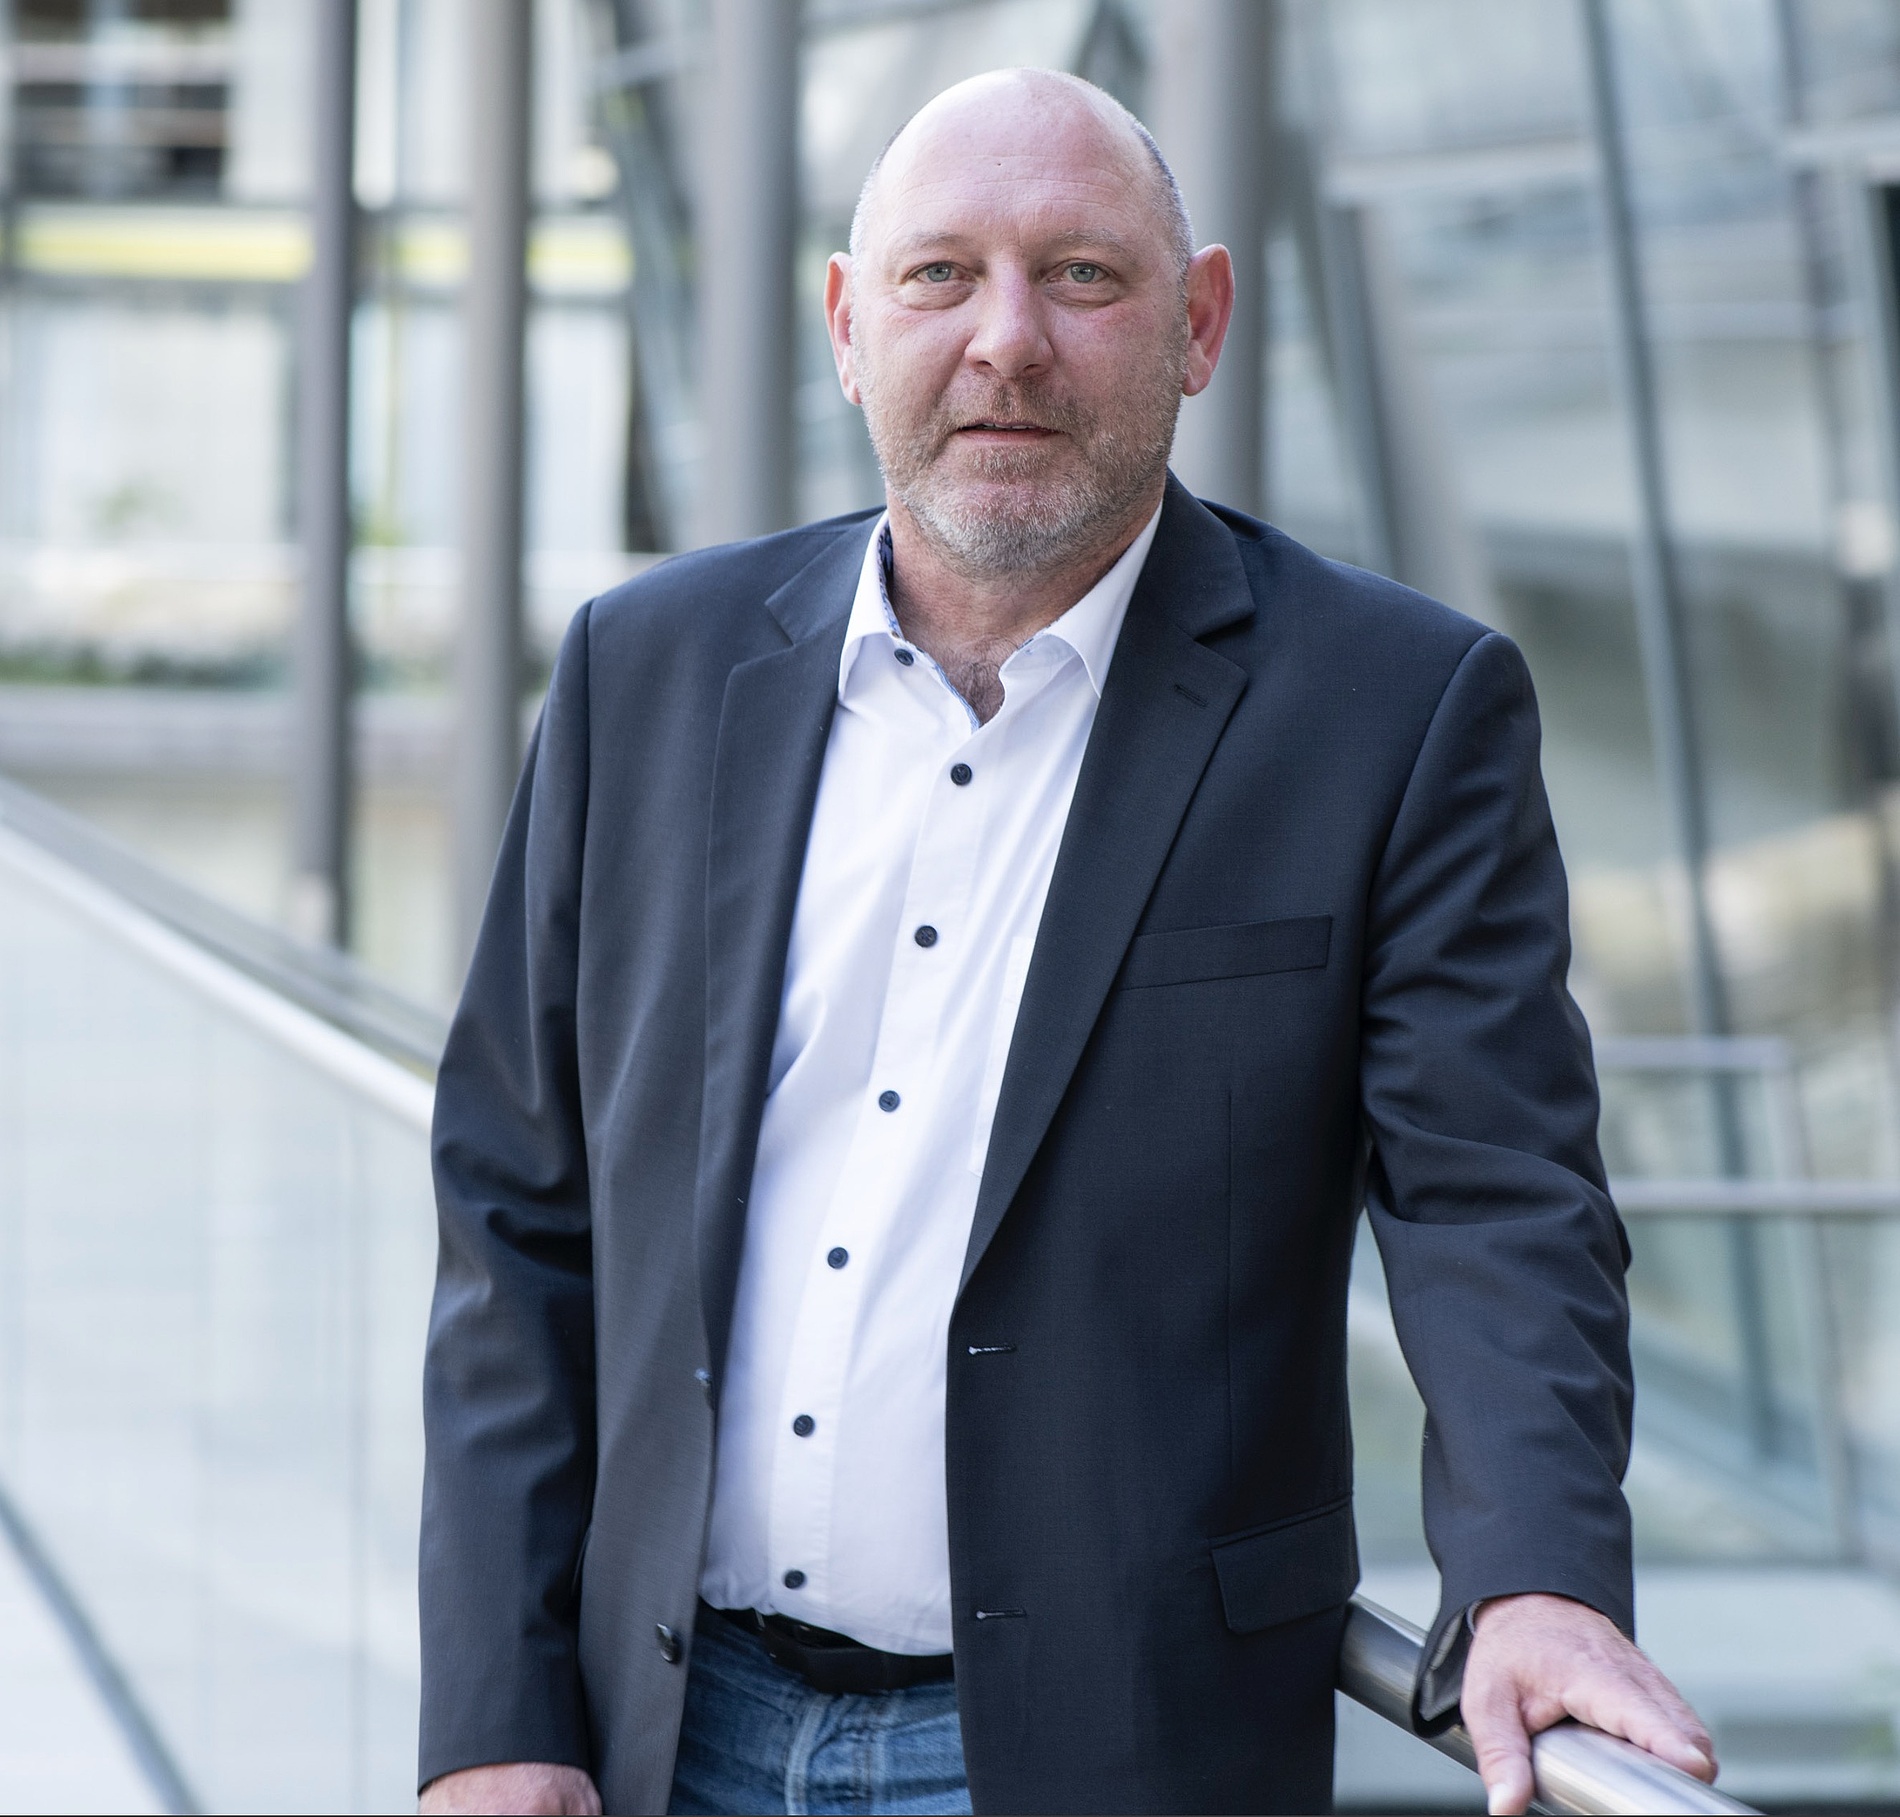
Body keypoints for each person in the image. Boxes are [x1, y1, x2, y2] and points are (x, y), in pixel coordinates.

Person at [417, 68, 1716, 1817]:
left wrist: (1540, 1572)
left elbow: (1497, 1198)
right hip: (658, 1730)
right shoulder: (644, 671)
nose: (1007, 341)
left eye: (1083, 277)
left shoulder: (1392, 712)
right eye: (940, 276)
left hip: (1113, 1744)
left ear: (1200, 322)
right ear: (845, 325)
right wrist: (494, 1709)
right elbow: (517, 1205)